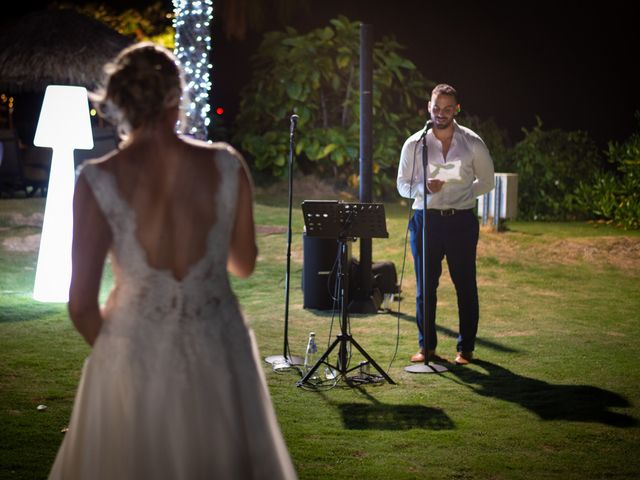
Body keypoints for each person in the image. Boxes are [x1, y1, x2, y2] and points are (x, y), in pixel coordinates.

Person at [48, 42, 297, 479]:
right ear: (176, 97)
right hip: (219, 344)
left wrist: (122, 354)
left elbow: (81, 305)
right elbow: (244, 263)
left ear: (119, 101)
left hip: (134, 348)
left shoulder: (96, 179)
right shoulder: (226, 165)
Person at [396, 83, 494, 366]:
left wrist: (463, 194)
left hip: (461, 221)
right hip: (425, 221)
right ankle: (426, 347)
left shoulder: (472, 142)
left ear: (457, 110)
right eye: (436, 108)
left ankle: (466, 349)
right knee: (425, 288)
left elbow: (487, 182)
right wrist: (423, 189)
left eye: (447, 109)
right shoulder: (415, 144)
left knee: (465, 285)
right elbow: (402, 185)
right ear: (429, 107)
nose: (441, 113)